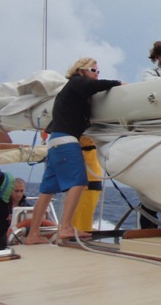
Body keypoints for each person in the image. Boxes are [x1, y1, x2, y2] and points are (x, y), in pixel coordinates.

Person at [25, 58, 123, 244]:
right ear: (80, 71)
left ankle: (32, 235)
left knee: (47, 191)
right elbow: (91, 86)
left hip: (55, 142)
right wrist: (119, 83)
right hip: (66, 141)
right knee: (78, 182)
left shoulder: (70, 90)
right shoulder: (76, 83)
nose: (96, 74)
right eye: (93, 70)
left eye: (98, 71)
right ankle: (65, 227)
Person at [71, 136, 103, 233]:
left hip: (88, 178)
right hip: (88, 175)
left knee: (81, 215)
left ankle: (80, 235)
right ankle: (79, 234)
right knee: (80, 215)